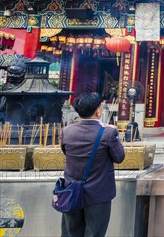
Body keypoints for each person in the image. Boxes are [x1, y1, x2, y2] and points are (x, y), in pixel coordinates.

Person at [60, 92, 125, 237]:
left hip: (71, 191)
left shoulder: (66, 132)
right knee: (95, 233)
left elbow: (66, 153)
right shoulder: (108, 133)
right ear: (98, 111)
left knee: (71, 233)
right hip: (98, 194)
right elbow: (119, 157)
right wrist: (114, 133)